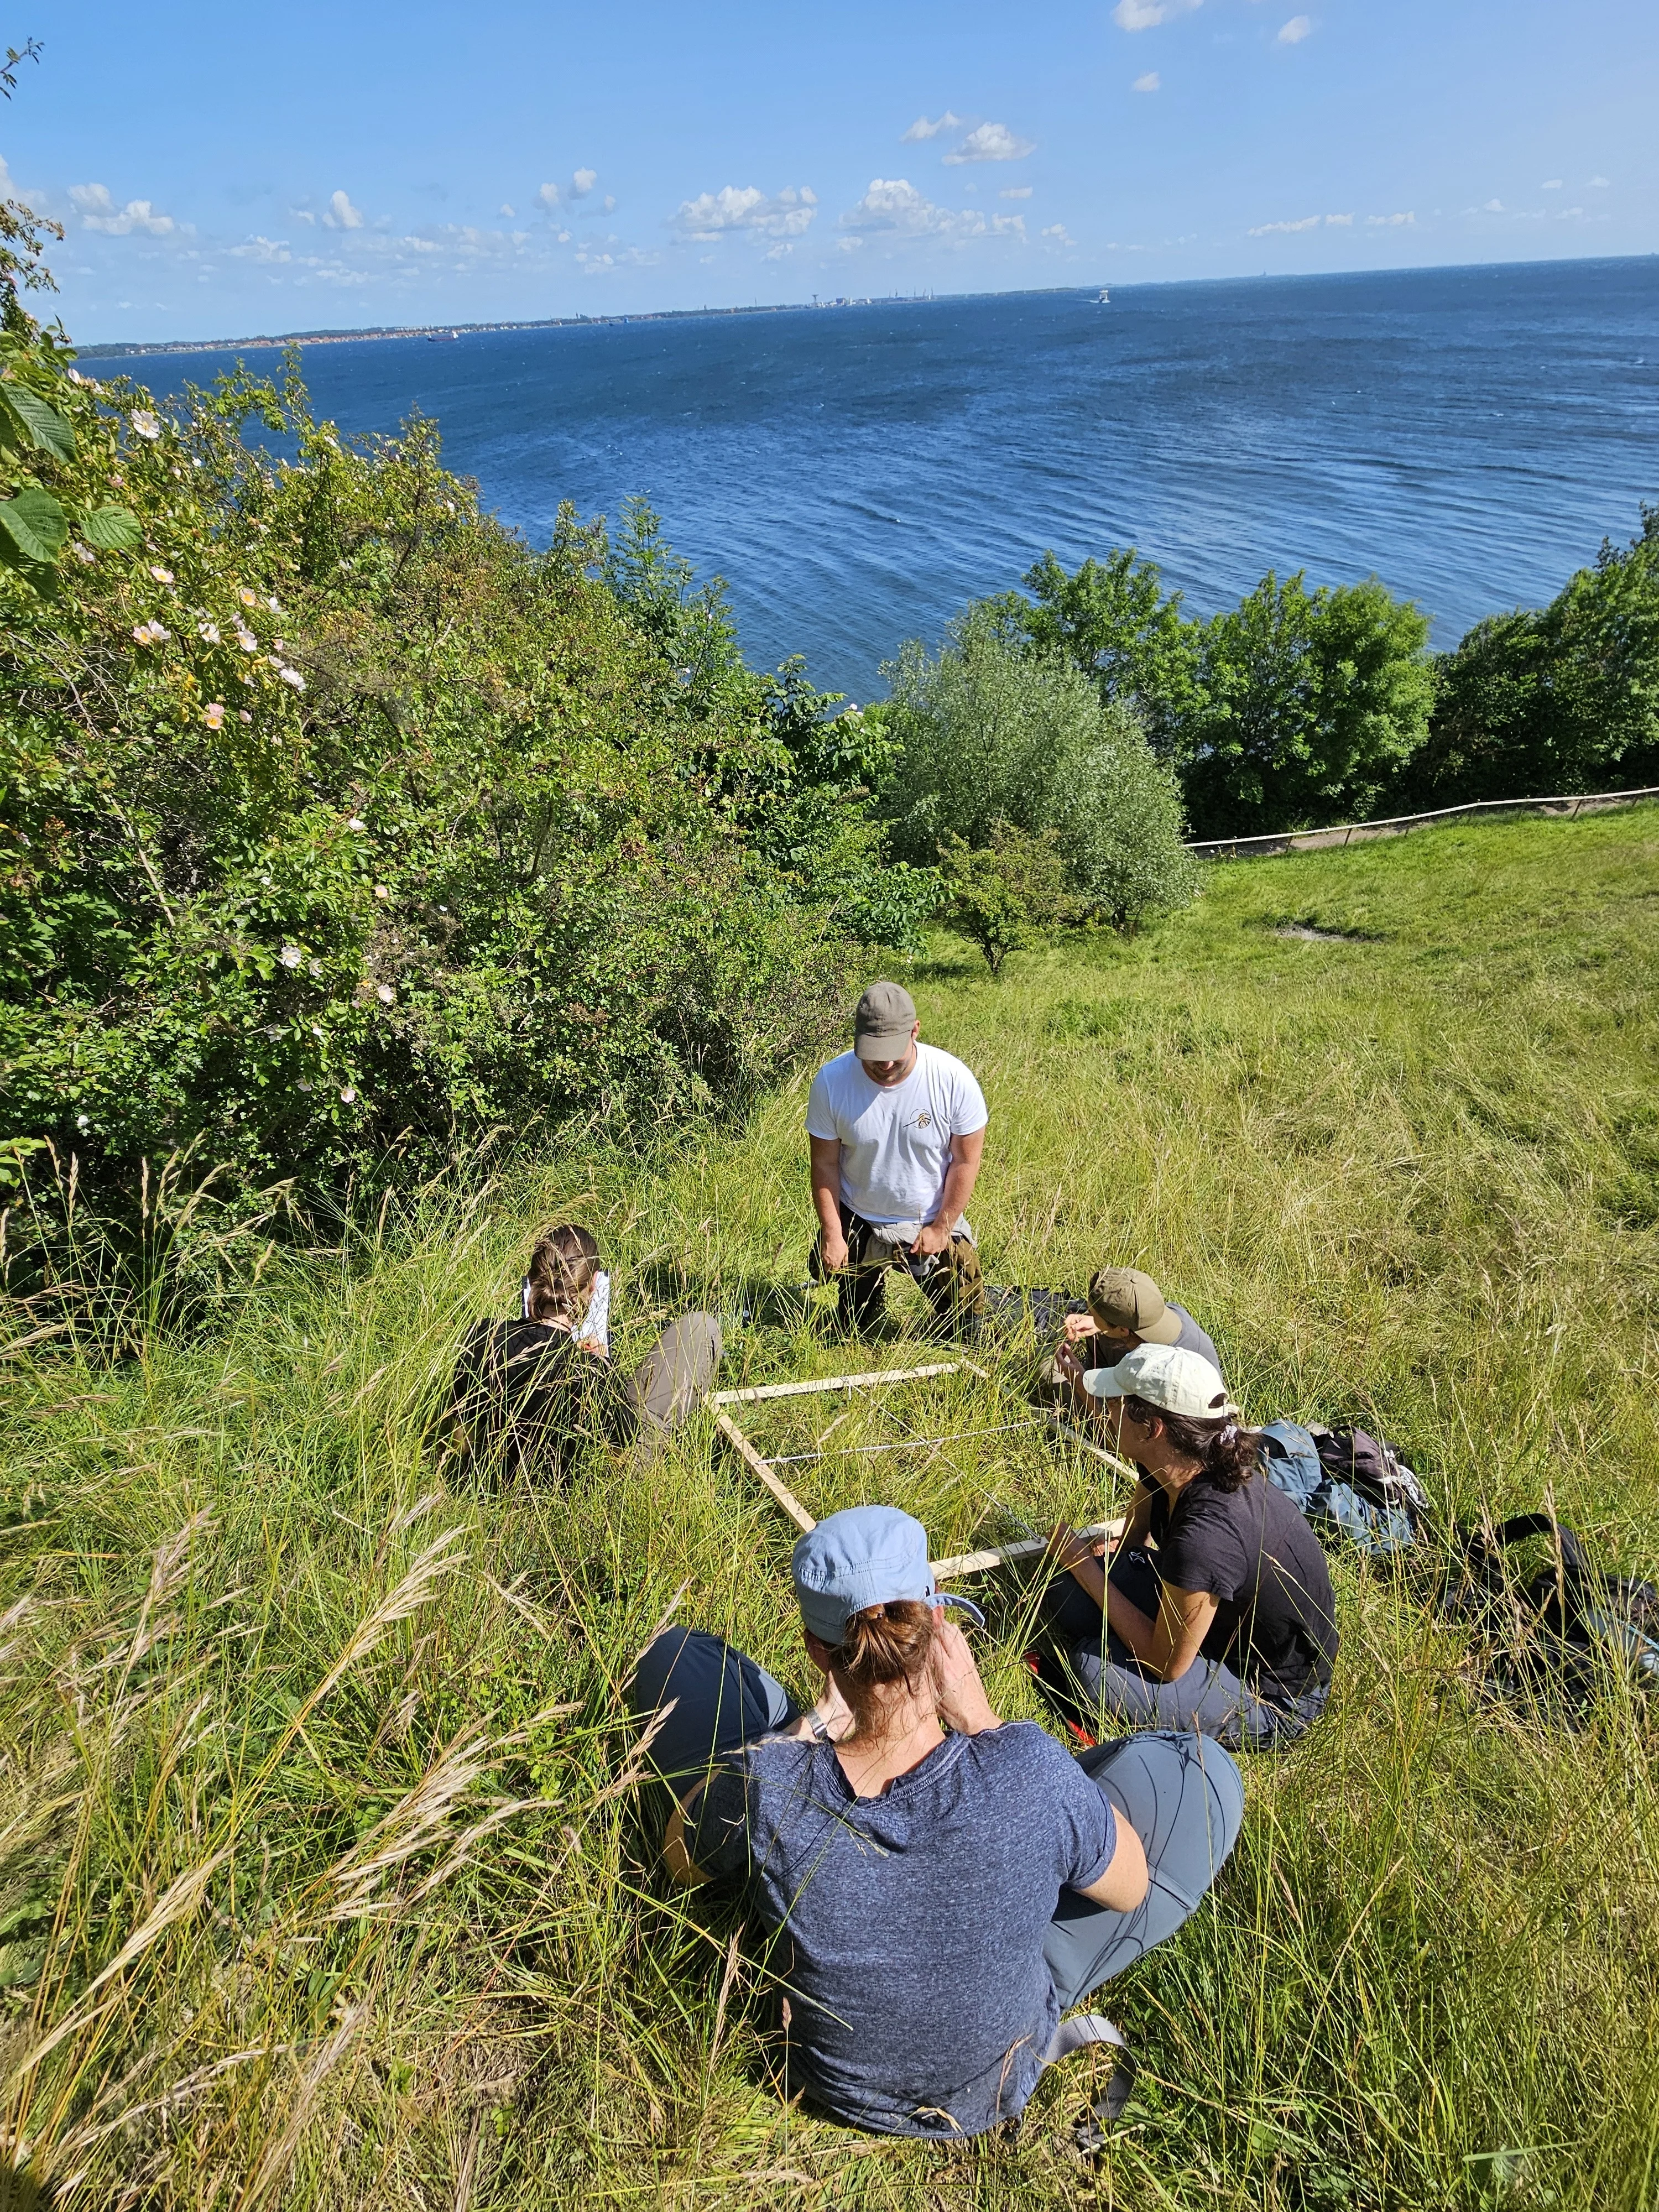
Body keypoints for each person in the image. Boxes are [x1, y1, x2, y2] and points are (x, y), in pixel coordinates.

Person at [629, 1505, 1244, 2141]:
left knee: (676, 1655)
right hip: (997, 2078)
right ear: (937, 1622)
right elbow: (1129, 1887)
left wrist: (806, 1728)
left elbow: (682, 1856)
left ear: (819, 1650)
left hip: (830, 2085)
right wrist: (982, 1722)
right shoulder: (1027, 1765)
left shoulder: (771, 1789)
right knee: (1199, 1771)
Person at [1036, 1344, 1338, 1751]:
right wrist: (1115, 1561)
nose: (1107, 1409)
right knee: (1061, 1591)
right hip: (1218, 1623)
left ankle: (1242, 1715)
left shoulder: (1207, 1534)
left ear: (1152, 1427)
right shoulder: (1178, 1459)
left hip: (1269, 1690)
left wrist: (1086, 1568)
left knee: (1092, 1670)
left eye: (1116, 1402)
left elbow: (1165, 1664)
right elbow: (1137, 1536)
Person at [446, 1224, 721, 1482]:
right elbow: (623, 1433)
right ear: (592, 1288)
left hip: (494, 1470)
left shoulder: (480, 1334)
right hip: (579, 1481)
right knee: (699, 1327)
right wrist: (604, 1364)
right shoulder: (590, 1370)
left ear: (531, 1280)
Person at [806, 980, 989, 1340]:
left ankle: (954, 1321)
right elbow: (824, 1164)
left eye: (893, 1050)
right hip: (858, 1214)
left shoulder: (953, 1080)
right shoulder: (831, 1082)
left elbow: (966, 1162)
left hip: (930, 1217)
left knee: (965, 1327)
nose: (885, 1063)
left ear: (915, 1030)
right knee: (852, 1329)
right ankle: (863, 1298)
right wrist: (832, 1233)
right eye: (874, 1052)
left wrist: (940, 1227)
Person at [1053, 1267, 1223, 1418]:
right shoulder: (1167, 1313)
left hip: (1163, 1435)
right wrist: (1099, 1325)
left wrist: (1078, 1381)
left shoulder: (1161, 1371)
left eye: (1092, 1313)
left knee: (1048, 1371)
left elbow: (1118, 1432)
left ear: (1122, 1330)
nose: (1087, 1315)